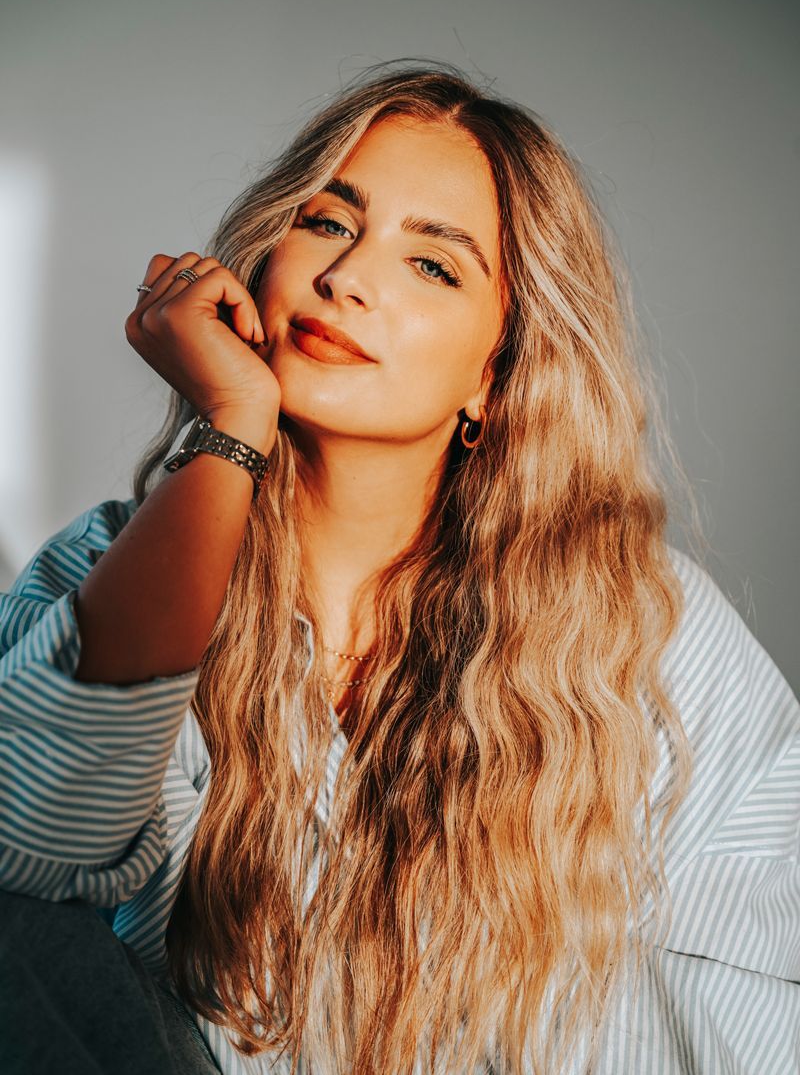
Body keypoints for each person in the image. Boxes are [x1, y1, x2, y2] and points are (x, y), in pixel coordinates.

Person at [1, 60, 798, 1075]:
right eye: (328, 222)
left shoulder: (640, 625)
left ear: (496, 379)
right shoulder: (118, 564)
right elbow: (25, 846)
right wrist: (232, 430)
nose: (345, 279)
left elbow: (747, 1005)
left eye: (434, 265)